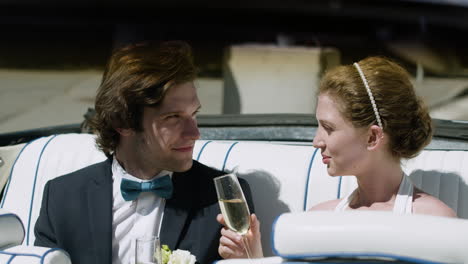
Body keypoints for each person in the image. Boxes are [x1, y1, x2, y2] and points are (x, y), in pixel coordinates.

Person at [34, 40, 254, 264]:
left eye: (194, 114)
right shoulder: (62, 198)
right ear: (122, 122)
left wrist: (252, 260)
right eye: (173, 117)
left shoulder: (223, 199)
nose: (194, 133)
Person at [217, 56, 456, 258]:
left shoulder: (434, 220)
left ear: (372, 137)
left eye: (328, 128)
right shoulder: (317, 218)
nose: (316, 141)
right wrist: (252, 257)